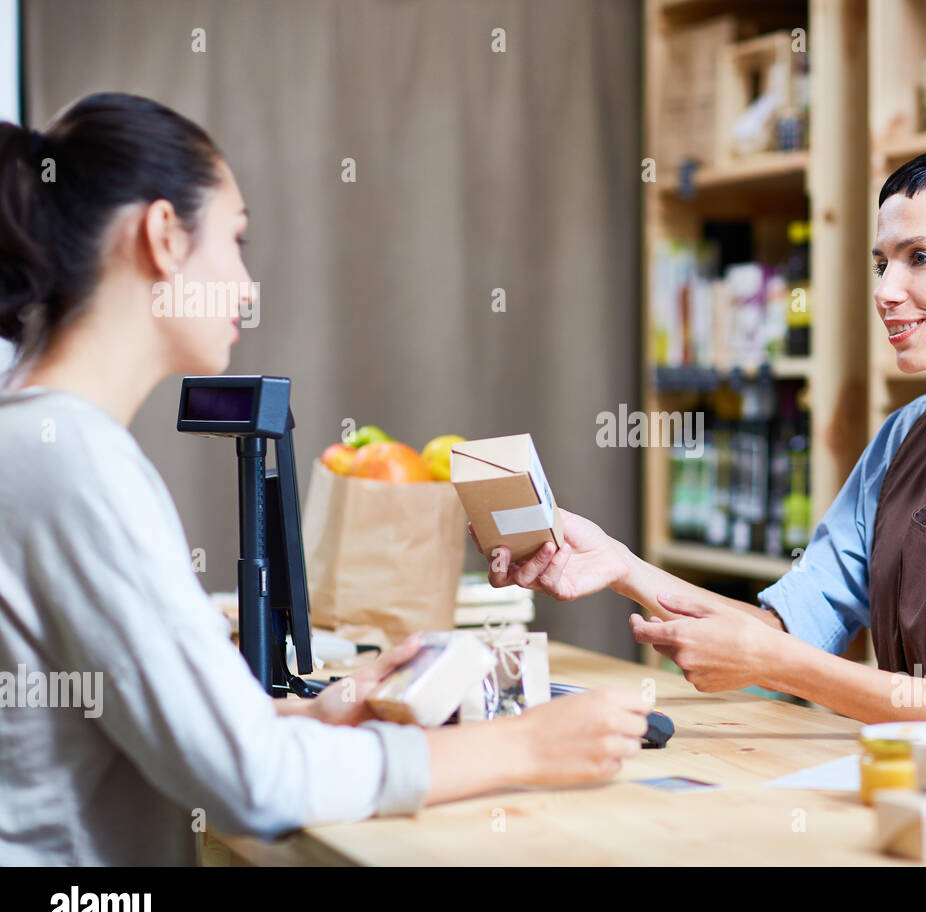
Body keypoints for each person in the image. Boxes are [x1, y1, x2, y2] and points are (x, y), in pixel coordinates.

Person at [0, 92, 648, 866]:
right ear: (163, 236)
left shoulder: (37, 442)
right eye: (235, 242)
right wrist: (520, 749)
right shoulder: (73, 465)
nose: (245, 286)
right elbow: (252, 784)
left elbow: (186, 734)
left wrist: (333, 707)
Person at [481, 141, 926, 769]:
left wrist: (783, 666)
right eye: (881, 262)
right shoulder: (905, 439)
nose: (884, 290)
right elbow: (787, 631)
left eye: (919, 258)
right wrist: (622, 567)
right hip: (901, 806)